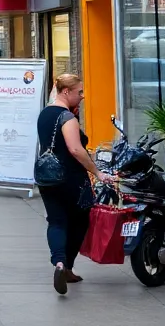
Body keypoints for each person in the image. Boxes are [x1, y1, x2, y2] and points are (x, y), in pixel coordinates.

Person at [37, 74, 110, 295]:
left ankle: (59, 263)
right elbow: (75, 149)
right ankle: (67, 265)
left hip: (46, 177)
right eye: (79, 92)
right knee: (80, 220)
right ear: (66, 92)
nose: (82, 96)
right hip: (70, 177)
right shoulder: (67, 117)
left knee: (56, 221)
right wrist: (97, 172)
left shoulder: (44, 113)